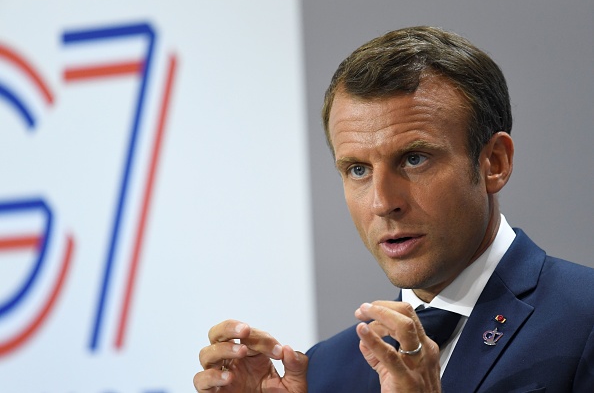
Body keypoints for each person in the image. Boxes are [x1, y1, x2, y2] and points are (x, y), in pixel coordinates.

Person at [193, 26, 594, 392]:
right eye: (358, 169)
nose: (383, 202)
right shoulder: (324, 371)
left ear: (494, 163)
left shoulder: (584, 321)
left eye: (414, 159)